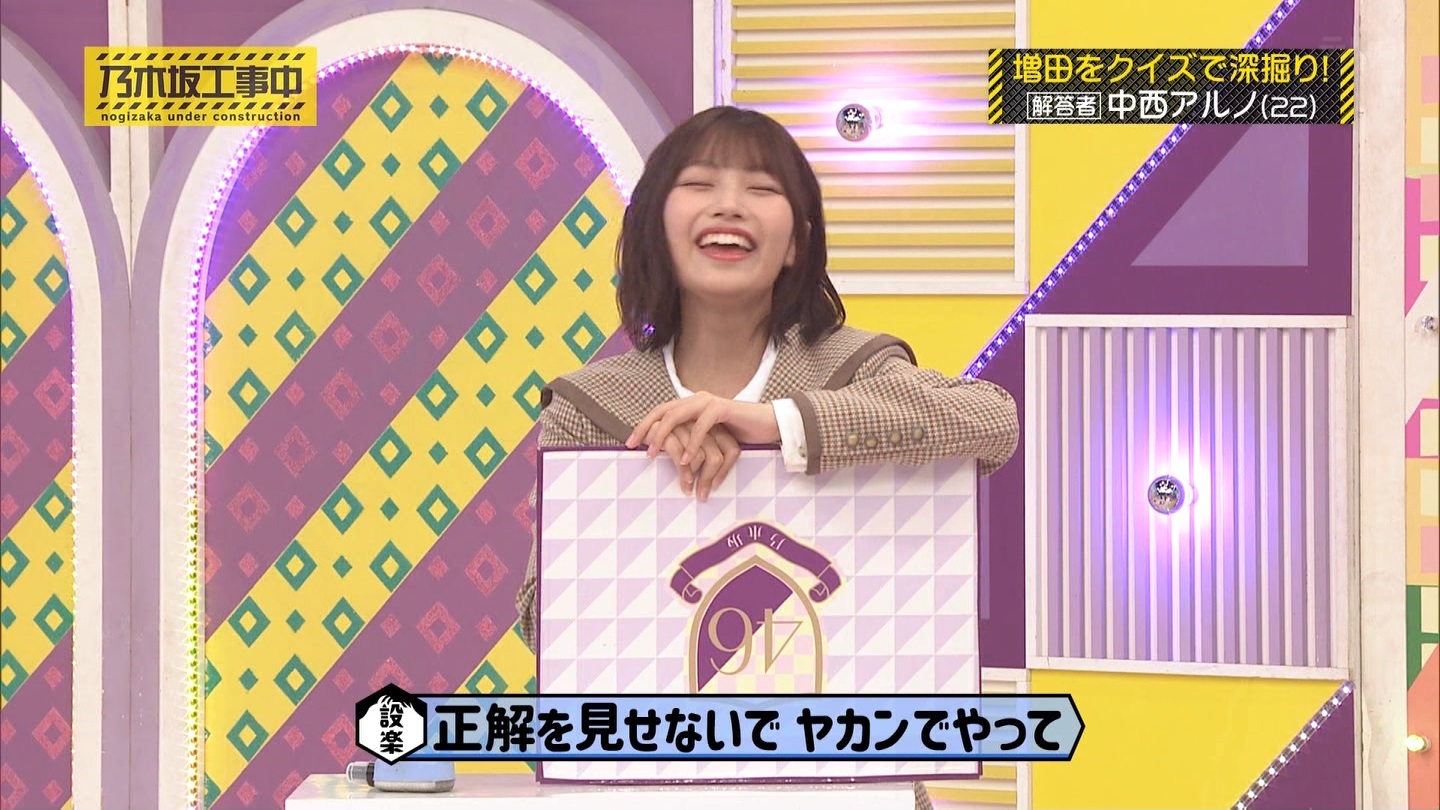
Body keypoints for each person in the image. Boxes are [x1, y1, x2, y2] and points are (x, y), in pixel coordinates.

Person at [514, 106, 1020, 810]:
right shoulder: (590, 406)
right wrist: (638, 493)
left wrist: (774, 425)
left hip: (853, 789)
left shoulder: (855, 368)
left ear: (796, 242)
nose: (729, 205)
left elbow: (991, 422)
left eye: (761, 187)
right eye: (699, 184)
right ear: (655, 226)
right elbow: (542, 622)